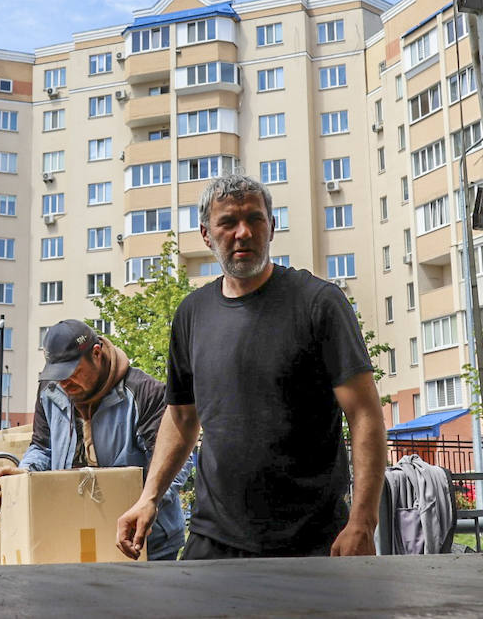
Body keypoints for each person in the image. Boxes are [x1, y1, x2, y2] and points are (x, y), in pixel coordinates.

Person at [116, 174, 387, 560]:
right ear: (207, 235)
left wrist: (363, 522)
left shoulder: (318, 303)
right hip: (214, 539)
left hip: (311, 541)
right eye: (227, 222)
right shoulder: (192, 314)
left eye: (255, 219)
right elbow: (180, 417)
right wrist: (149, 498)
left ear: (272, 227)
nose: (243, 232)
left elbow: (364, 414)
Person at [0, 320, 191, 560]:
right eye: (57, 375)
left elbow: (177, 464)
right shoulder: (49, 390)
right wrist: (26, 473)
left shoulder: (145, 393)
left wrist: (141, 498)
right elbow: (42, 447)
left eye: (72, 373)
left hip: (145, 541)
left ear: (96, 353)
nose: (64, 384)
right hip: (71, 532)